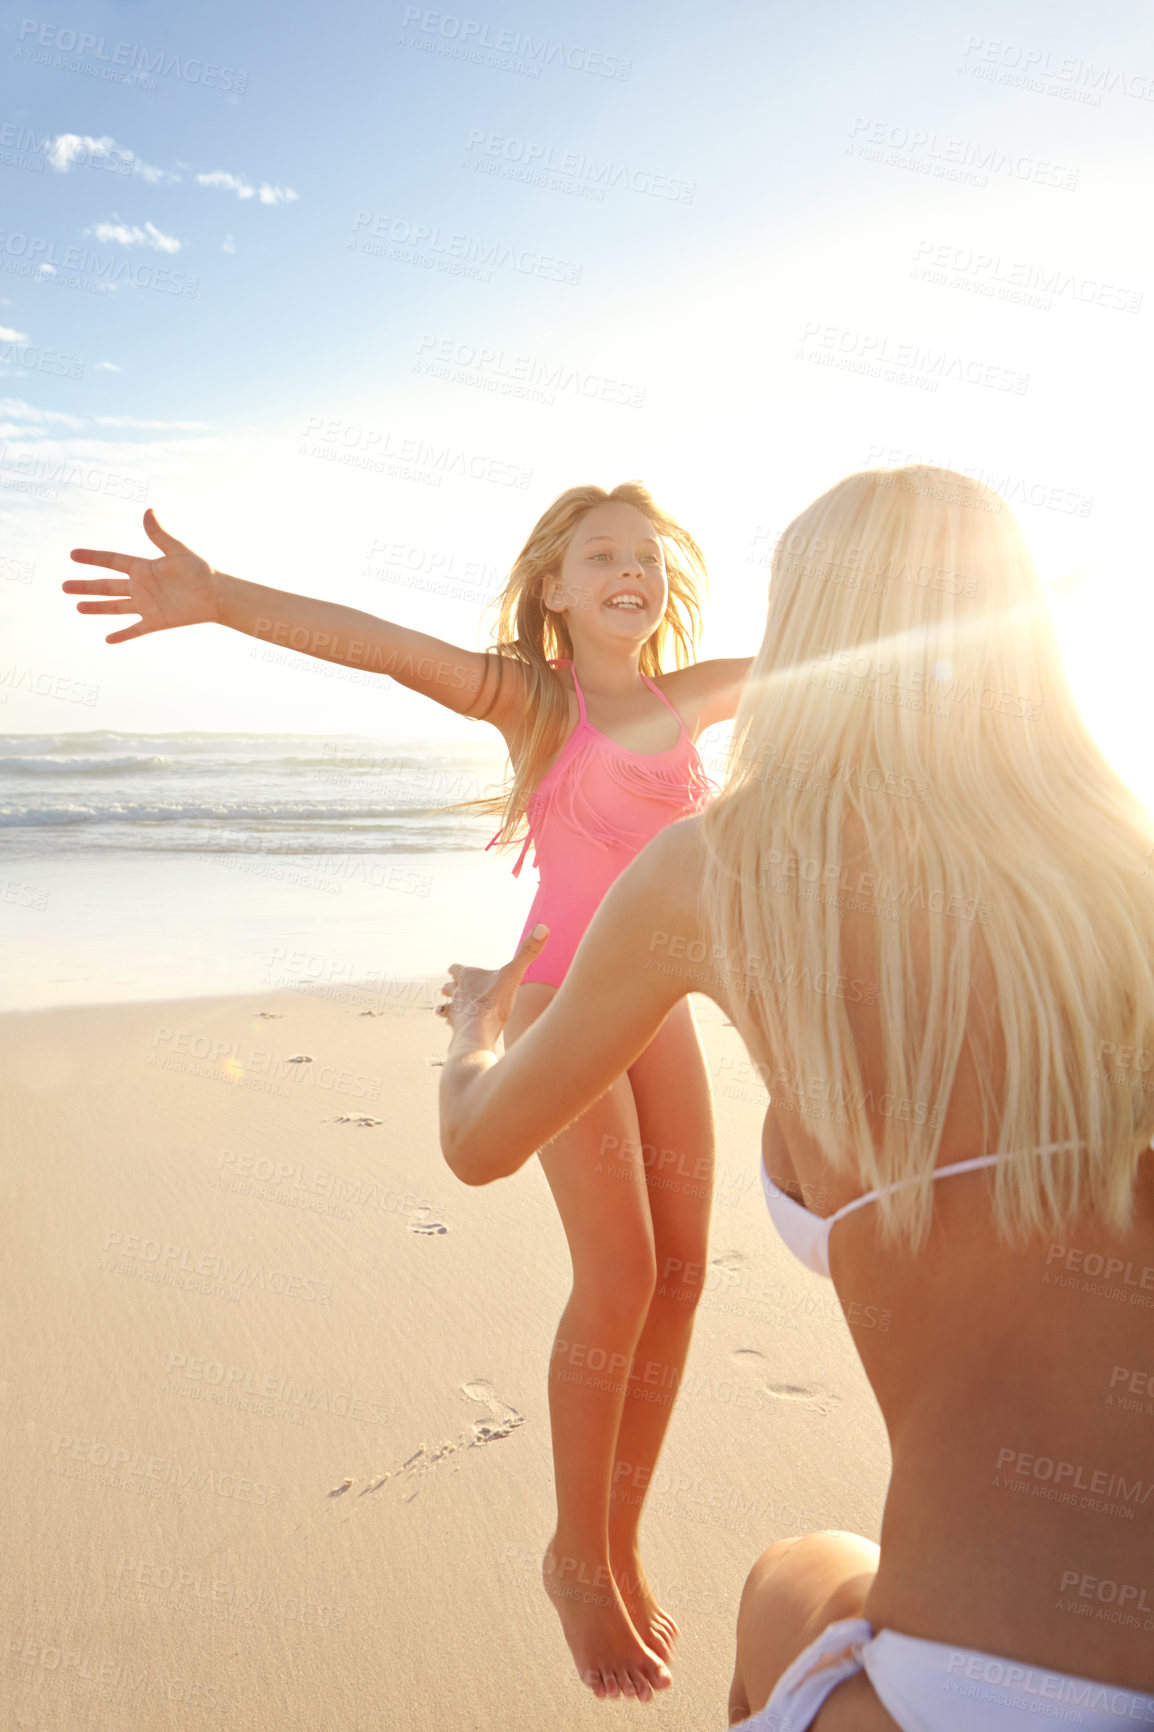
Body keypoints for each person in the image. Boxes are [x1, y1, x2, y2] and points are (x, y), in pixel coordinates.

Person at [436, 466, 1154, 1727]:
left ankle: (588, 1559)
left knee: (785, 1577)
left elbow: (479, 1146)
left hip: (991, 1678)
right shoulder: (1120, 868)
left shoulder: (727, 868)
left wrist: (469, 1030)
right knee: (796, 1563)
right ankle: (583, 1557)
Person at [63, 483, 752, 1703]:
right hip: (562, 999)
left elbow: (853, 656)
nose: (626, 571)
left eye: (645, 555)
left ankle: (619, 1533)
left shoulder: (687, 697)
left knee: (687, 1274)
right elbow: (380, 649)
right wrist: (219, 600)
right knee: (622, 1277)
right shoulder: (535, 698)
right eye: (599, 555)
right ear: (555, 589)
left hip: (659, 1007)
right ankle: (572, 1557)